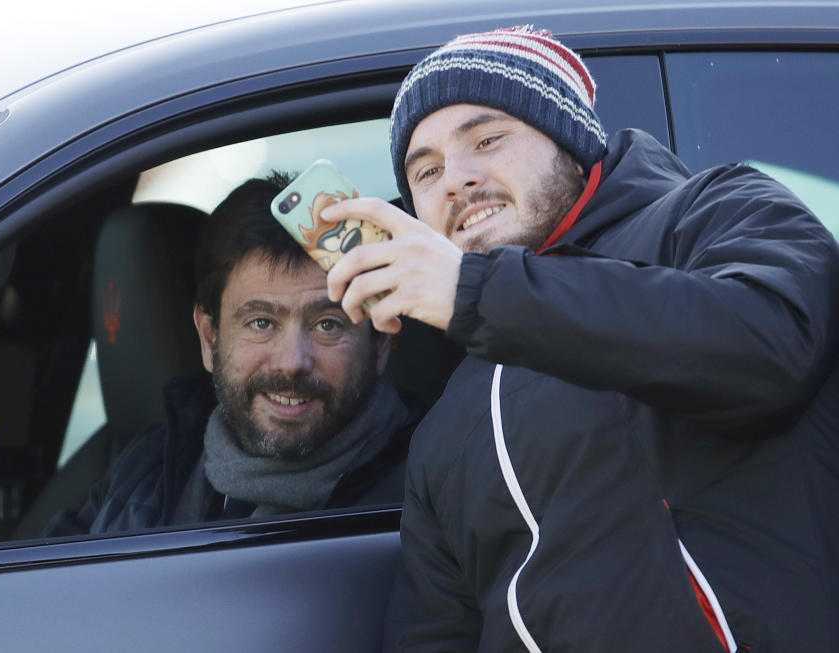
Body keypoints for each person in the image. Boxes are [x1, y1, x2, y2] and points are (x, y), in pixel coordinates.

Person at [320, 25, 839, 652]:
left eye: (487, 139)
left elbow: (772, 345)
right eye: (424, 172)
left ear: (570, 141)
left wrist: (475, 293)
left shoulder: (713, 212)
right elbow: (435, 632)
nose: (454, 180)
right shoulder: (447, 426)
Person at [46, 174, 421, 535]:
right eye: (261, 323)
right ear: (209, 338)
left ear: (380, 344)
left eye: (327, 325)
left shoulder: (430, 494)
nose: (291, 362)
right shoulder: (148, 467)